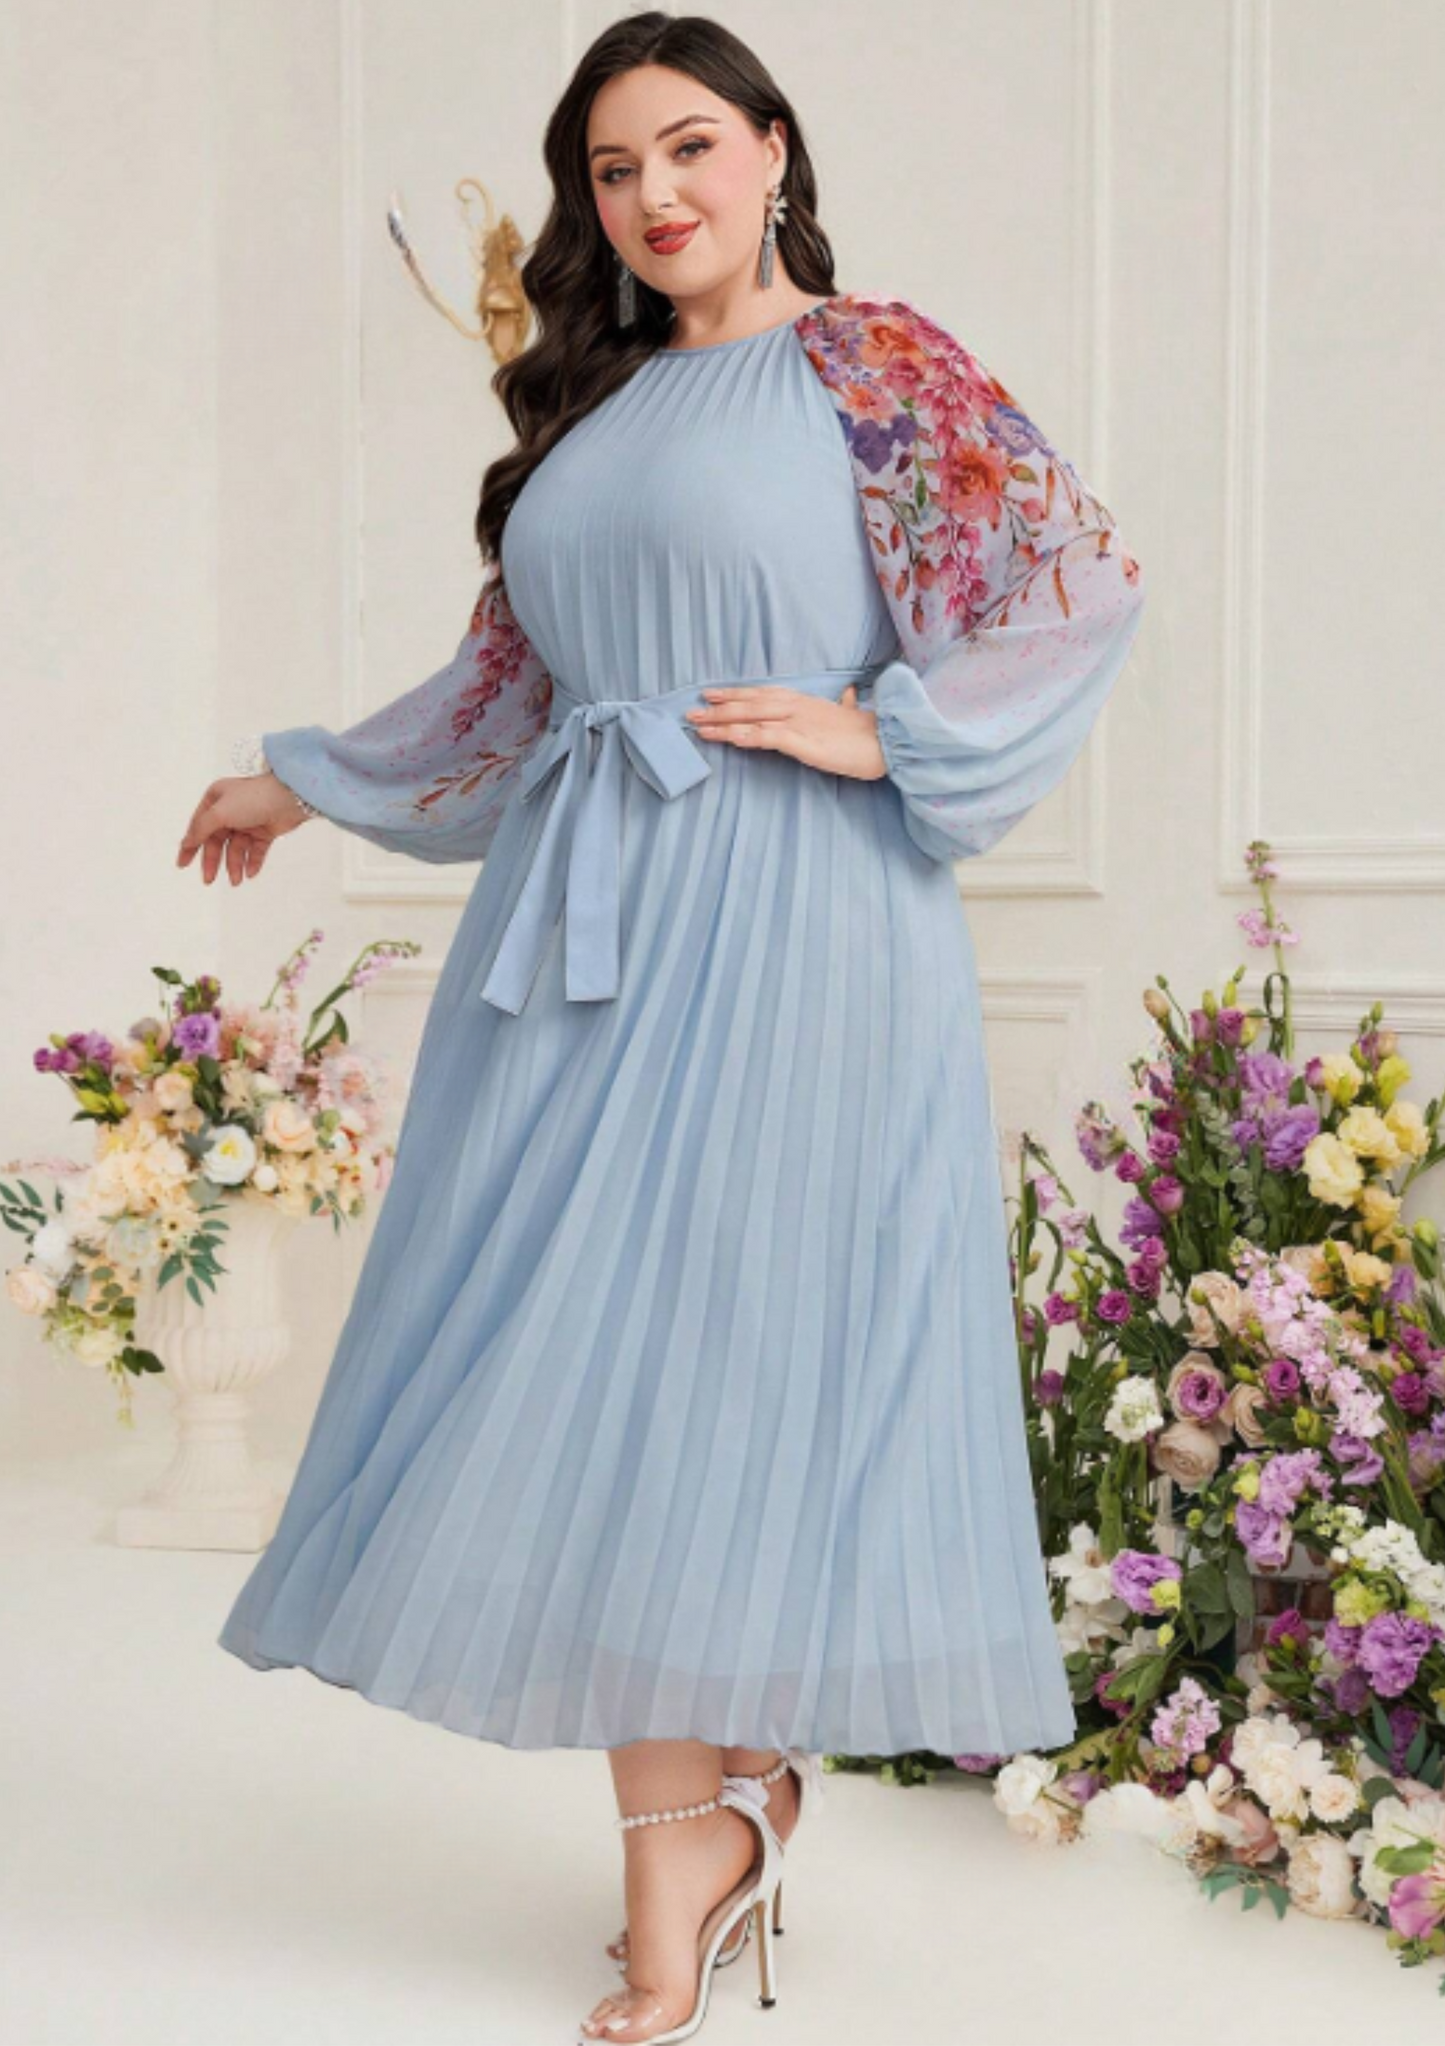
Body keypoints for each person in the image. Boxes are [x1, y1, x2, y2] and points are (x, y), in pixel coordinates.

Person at [179, 14, 1146, 2043]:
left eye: (690, 146)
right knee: (588, 1356)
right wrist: (297, 779)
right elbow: (506, 690)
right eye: (613, 170)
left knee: (708, 1354)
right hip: (583, 920)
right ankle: (712, 1816)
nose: (654, 196)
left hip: (798, 915)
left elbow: (1067, 587)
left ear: (774, 149)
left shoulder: (875, 365)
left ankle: (685, 1851)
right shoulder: (593, 407)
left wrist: (878, 730)